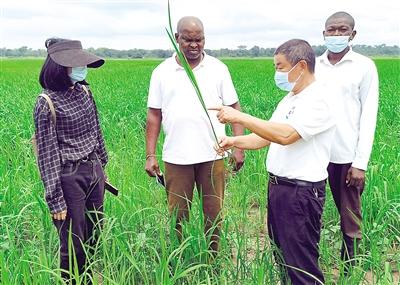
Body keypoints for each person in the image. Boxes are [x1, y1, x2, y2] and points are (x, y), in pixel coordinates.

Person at [211, 39, 336, 284]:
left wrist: (240, 116)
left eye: (280, 67)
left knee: (302, 264)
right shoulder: (291, 98)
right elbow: (266, 136)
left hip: (301, 194)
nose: (277, 73)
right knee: (283, 256)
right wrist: (233, 141)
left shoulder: (319, 99)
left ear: (301, 66)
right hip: (279, 188)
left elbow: (286, 135)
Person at [145, 16, 244, 253]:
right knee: (178, 214)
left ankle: (213, 258)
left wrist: (238, 146)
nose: (194, 45)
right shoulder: (162, 72)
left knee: (214, 213)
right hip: (176, 157)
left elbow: (234, 108)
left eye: (199, 40)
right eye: (188, 39)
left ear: (204, 39)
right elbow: (154, 116)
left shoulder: (218, 69)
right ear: (177, 38)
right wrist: (150, 155)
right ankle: (180, 258)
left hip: (214, 154)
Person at [34, 38, 107, 283]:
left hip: (93, 170)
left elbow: (97, 132)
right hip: (68, 177)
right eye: (75, 65)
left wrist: (101, 168)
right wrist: (55, 200)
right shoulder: (47, 103)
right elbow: (47, 154)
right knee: (73, 242)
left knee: (94, 232)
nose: (81, 69)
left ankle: (86, 278)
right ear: (58, 67)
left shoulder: (84, 92)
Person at [315, 11, 379, 274]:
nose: (336, 35)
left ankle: (348, 270)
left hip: (346, 156)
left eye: (342, 30)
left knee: (349, 215)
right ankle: (310, 264)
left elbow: (368, 115)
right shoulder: (314, 64)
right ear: (324, 33)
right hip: (315, 154)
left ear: (353, 34)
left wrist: (360, 163)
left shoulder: (364, 66)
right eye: (332, 30)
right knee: (310, 212)